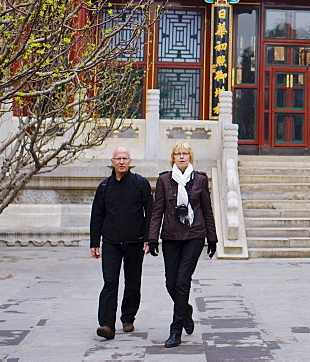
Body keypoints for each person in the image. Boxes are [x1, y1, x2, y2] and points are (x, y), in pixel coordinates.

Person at [148, 140, 218, 348]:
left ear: (190, 157)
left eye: (185, 153)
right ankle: (185, 310)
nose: (181, 157)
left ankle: (175, 329)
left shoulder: (200, 180)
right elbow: (157, 210)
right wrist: (153, 237)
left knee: (182, 281)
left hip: (194, 235)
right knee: (171, 283)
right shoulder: (164, 180)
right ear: (173, 157)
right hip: (170, 236)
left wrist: (212, 238)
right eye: (178, 153)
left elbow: (207, 209)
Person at [89, 146, 152, 340]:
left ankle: (128, 318)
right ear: (112, 162)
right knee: (110, 281)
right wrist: (94, 241)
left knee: (132, 282)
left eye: (125, 158)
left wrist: (149, 238)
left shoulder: (140, 183)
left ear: (130, 161)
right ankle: (107, 324)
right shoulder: (104, 187)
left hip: (135, 242)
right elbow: (97, 215)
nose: (121, 162)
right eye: (118, 158)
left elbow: (150, 213)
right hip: (111, 243)